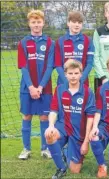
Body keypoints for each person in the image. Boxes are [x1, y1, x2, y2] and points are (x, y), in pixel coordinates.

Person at [45, 59, 96, 179]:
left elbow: (90, 117)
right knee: (49, 135)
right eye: (70, 73)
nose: (73, 76)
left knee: (75, 170)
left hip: (79, 131)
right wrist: (51, 125)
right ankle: (61, 168)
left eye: (76, 73)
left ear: (81, 74)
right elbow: (53, 110)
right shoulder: (59, 89)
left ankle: (66, 151)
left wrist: (85, 142)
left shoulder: (88, 92)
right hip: (63, 126)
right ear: (65, 74)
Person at [17, 9, 55, 160]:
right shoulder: (23, 43)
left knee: (44, 117)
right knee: (27, 116)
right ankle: (26, 149)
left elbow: (50, 66)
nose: (36, 25)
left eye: (39, 22)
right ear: (29, 24)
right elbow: (23, 67)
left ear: (43, 23)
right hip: (27, 88)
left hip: (44, 88)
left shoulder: (50, 42)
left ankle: (45, 148)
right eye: (33, 22)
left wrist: (40, 86)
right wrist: (32, 87)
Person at [55, 11, 94, 86]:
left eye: (79, 23)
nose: (77, 25)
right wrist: (66, 81)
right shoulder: (60, 41)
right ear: (68, 23)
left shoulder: (88, 40)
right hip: (63, 82)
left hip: (82, 83)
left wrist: (80, 80)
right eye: (74, 22)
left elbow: (89, 64)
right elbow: (58, 65)